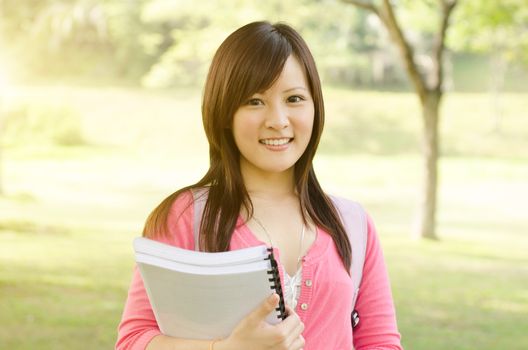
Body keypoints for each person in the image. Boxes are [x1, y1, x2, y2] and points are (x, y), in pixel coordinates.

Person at [116, 21, 402, 350]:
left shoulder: (353, 224)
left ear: (315, 107)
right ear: (224, 112)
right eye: (255, 101)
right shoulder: (186, 218)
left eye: (294, 98)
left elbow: (380, 343)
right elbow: (134, 341)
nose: (278, 120)